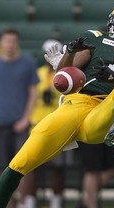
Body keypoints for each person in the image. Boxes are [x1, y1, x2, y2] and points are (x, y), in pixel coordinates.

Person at [0, 1, 114, 208]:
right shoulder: (96, 39)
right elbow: (63, 74)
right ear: (112, 23)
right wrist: (69, 52)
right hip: (76, 104)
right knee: (18, 163)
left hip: (106, 107)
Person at [0, 29, 39, 208]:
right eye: (7, 41)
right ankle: (8, 204)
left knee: (24, 165)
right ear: (1, 43)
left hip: (21, 125)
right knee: (2, 166)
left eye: (13, 41)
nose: (10, 44)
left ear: (17, 43)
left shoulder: (28, 63)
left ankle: (24, 202)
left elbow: (33, 92)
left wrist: (25, 118)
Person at [30, 39, 75, 208]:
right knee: (32, 165)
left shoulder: (67, 74)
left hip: (59, 122)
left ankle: (56, 201)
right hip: (38, 122)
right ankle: (29, 201)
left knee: (58, 167)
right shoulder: (37, 73)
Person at [78, 143, 114, 208]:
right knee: (92, 171)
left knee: (112, 167)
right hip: (90, 137)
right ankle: (90, 204)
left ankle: (86, 200)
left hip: (103, 136)